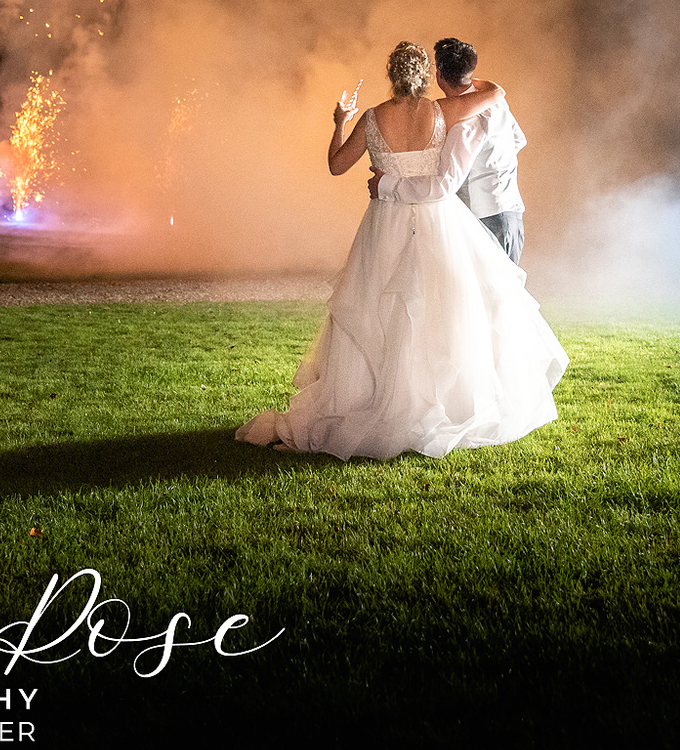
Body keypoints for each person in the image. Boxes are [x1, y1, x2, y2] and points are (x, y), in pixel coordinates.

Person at [235, 41, 568, 460]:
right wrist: (472, 76)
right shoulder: (442, 112)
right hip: (436, 222)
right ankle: (433, 401)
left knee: (379, 310)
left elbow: (337, 165)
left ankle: (372, 399)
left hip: (385, 224)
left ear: (391, 75)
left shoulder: (372, 118)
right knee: (434, 312)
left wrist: (341, 121)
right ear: (427, 75)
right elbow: (496, 94)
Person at [371, 37, 527, 262]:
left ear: (439, 74)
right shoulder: (497, 102)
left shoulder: (464, 123)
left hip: (483, 218)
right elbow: (518, 140)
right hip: (511, 211)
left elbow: (444, 184)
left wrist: (385, 184)